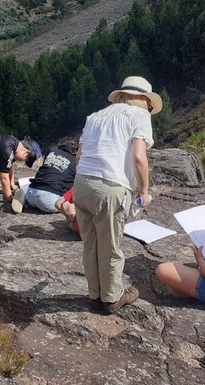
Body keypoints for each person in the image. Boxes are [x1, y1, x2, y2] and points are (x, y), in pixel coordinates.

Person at [74, 76, 162, 314]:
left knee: (90, 243)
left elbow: (79, 157)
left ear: (121, 95)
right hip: (110, 187)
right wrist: (144, 191)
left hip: (81, 184)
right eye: (149, 106)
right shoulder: (139, 115)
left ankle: (95, 295)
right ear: (143, 100)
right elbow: (139, 157)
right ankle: (112, 298)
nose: (149, 110)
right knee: (110, 246)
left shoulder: (95, 117)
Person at [12, 144, 76, 214]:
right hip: (48, 201)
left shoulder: (52, 151)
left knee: (44, 178)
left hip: (31, 193)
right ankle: (69, 207)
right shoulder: (76, 163)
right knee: (74, 202)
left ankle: (24, 195)